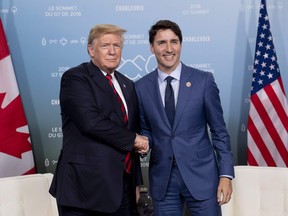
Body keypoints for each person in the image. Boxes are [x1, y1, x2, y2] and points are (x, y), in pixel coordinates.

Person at [135, 20, 234, 216]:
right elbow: (147, 129)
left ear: (181, 45)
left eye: (174, 42)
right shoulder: (140, 87)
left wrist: (226, 175)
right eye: (162, 42)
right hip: (163, 181)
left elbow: (219, 131)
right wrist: (144, 141)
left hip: (202, 177)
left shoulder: (203, 81)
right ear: (152, 47)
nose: (169, 48)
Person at [49, 24, 149, 216]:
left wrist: (136, 183)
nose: (112, 51)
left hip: (123, 190)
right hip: (85, 191)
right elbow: (91, 122)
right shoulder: (76, 78)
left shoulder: (127, 84)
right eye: (105, 46)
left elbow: (131, 131)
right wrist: (135, 139)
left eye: (117, 46)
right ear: (91, 50)